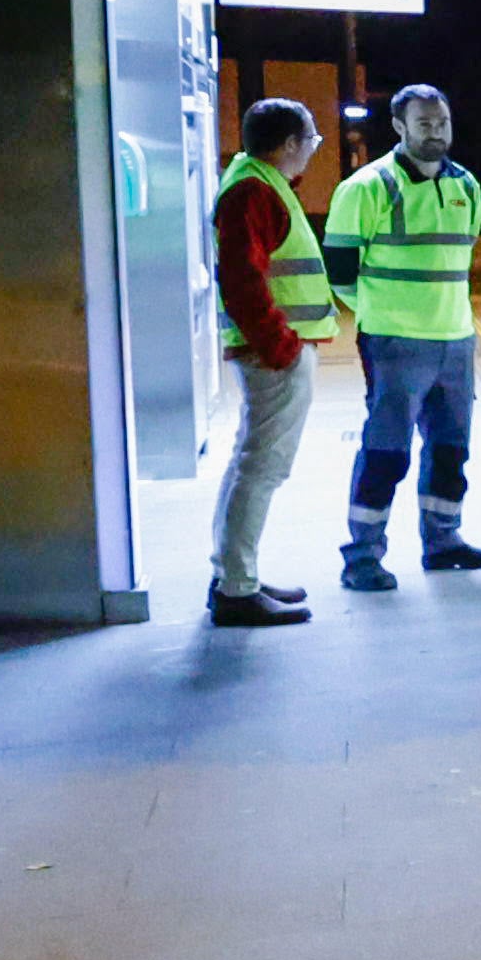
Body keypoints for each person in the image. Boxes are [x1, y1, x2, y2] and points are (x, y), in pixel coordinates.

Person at [326, 83, 481, 588]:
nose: (435, 132)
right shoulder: (367, 188)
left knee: (451, 449)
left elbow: (458, 258)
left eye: (442, 122)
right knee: (387, 452)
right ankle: (362, 558)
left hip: (456, 340)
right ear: (399, 127)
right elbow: (340, 272)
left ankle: (443, 542)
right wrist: (384, 315)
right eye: (424, 124)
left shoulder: (466, 186)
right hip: (394, 344)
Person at [207, 97, 335, 624]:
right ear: (288, 145)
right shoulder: (254, 191)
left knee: (250, 463)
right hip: (275, 355)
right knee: (262, 467)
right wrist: (281, 347)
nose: (312, 151)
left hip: (272, 351)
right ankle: (237, 589)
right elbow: (242, 279)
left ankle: (235, 576)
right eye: (311, 140)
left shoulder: (255, 182)